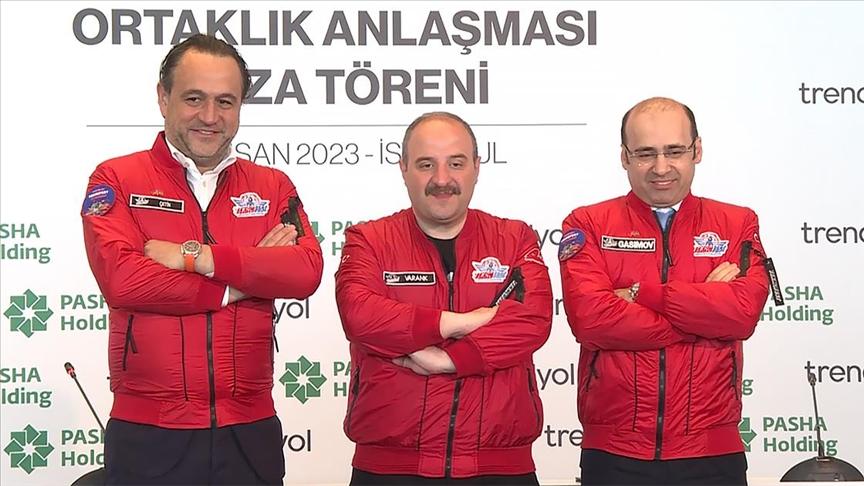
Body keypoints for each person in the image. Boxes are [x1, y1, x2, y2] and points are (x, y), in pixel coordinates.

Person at [81, 34, 323, 485]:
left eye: (225, 101)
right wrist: (245, 280)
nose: (210, 117)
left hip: (250, 431)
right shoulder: (116, 177)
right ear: (163, 98)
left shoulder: (272, 186)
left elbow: (305, 271)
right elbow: (124, 280)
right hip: (150, 432)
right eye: (194, 98)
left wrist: (197, 258)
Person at [559, 97, 775, 485]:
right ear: (624, 157)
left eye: (674, 151)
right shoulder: (587, 222)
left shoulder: (737, 223)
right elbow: (591, 320)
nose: (661, 168)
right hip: (614, 454)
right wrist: (702, 306)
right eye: (646, 154)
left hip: (713, 452)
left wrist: (640, 294)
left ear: (697, 150)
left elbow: (741, 315)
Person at [335, 112, 553, 485]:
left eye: (456, 163)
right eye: (426, 165)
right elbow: (361, 315)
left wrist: (449, 360)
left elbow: (532, 320)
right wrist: (462, 321)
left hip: (500, 468)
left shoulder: (515, 238)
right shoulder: (369, 240)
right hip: (390, 470)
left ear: (476, 167)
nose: (441, 179)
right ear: (403, 169)